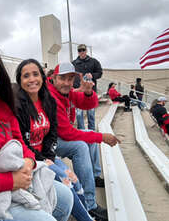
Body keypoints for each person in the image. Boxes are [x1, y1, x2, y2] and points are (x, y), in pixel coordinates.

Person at [0, 44, 73, 221]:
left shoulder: (3, 106)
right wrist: (11, 180)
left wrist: (29, 162)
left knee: (66, 197)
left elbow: (20, 141)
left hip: (21, 176)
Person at [14, 58, 95, 221]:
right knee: (67, 183)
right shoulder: (17, 105)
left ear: (42, 78)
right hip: (30, 159)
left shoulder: (48, 101)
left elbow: (52, 134)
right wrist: (43, 159)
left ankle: (88, 212)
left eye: (35, 74)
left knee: (74, 180)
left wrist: (50, 157)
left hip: (46, 156)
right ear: (20, 81)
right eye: (26, 76)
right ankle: (86, 218)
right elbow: (21, 141)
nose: (31, 80)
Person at [47, 62, 120, 221]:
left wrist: (88, 93)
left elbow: (89, 104)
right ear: (53, 78)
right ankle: (89, 204)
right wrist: (102, 138)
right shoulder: (51, 97)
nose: (67, 83)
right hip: (47, 144)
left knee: (89, 134)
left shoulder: (65, 92)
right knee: (80, 146)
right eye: (62, 78)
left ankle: (93, 176)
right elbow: (67, 134)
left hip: (57, 138)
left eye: (70, 78)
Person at [73, 44, 103, 131]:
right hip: (78, 91)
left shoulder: (94, 61)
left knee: (91, 113)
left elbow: (100, 73)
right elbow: (70, 76)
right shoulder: (73, 63)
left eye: (83, 50)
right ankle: (82, 132)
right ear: (78, 52)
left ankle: (92, 131)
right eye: (79, 50)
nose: (81, 52)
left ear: (86, 51)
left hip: (90, 92)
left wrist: (92, 75)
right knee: (78, 114)